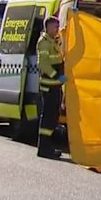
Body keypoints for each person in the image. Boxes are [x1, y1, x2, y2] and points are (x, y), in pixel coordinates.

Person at [36, 16, 67, 159]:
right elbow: (43, 64)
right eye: (55, 26)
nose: (57, 29)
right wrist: (56, 76)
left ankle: (47, 147)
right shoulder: (43, 43)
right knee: (48, 118)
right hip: (49, 86)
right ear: (48, 27)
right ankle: (44, 148)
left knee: (53, 117)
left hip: (55, 86)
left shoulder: (54, 41)